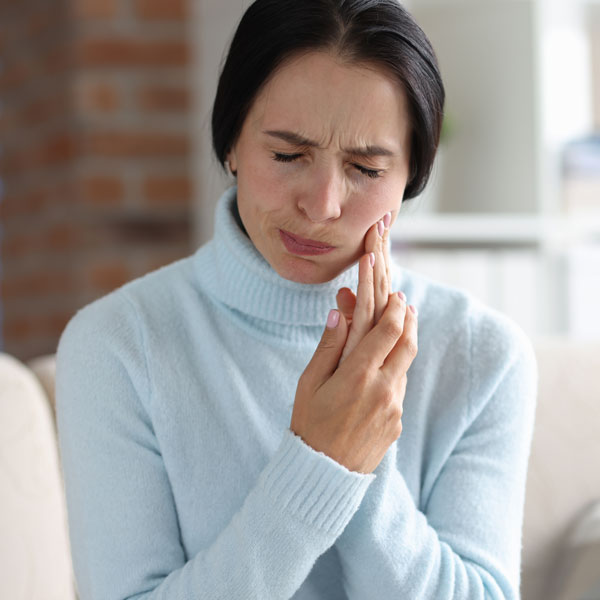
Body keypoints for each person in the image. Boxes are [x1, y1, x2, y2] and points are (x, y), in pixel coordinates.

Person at [55, 1, 538, 598]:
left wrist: (360, 457)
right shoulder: (118, 345)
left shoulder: (482, 355)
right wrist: (321, 461)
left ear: (410, 177)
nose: (323, 204)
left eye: (365, 167)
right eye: (287, 155)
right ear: (231, 143)